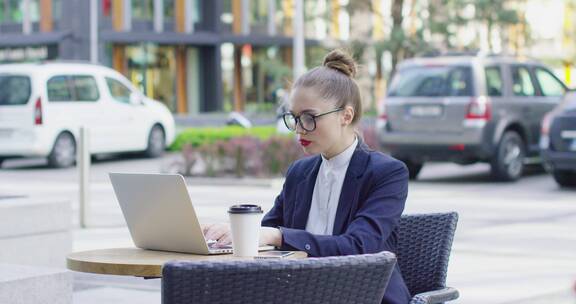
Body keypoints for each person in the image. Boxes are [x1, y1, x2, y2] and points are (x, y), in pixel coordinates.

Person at [203, 49, 411, 304]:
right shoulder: (299, 173)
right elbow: (267, 231)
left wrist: (277, 236)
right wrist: (228, 235)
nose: (300, 128)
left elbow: (358, 247)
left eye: (310, 118)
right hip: (302, 294)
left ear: (345, 115)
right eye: (295, 117)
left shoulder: (386, 173)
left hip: (366, 296)